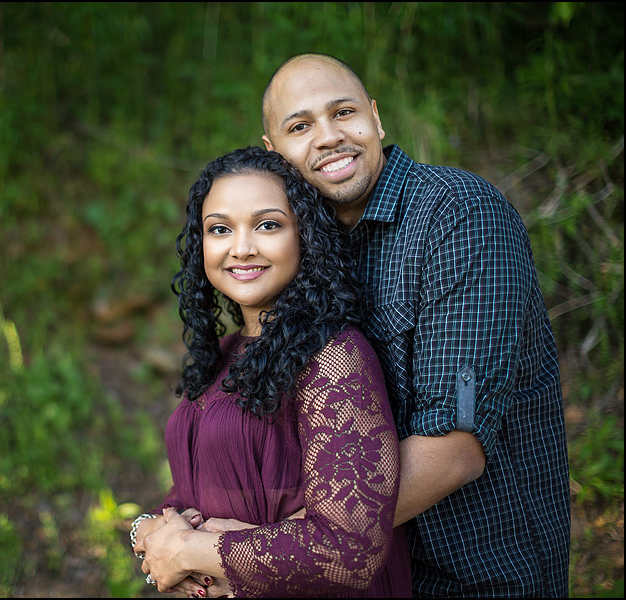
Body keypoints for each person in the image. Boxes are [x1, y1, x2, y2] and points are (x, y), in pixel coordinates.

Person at [255, 53, 570, 597]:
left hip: (477, 579)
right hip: (368, 581)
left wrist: (261, 548)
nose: (329, 136)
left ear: (376, 119)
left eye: (344, 113)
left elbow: (455, 447)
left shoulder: (458, 214)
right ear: (274, 154)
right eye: (300, 126)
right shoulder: (295, 252)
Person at [131, 145, 412, 598]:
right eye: (220, 229)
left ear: (304, 235)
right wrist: (153, 532)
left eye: (267, 225)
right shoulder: (221, 355)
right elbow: (194, 489)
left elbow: (349, 549)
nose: (241, 248)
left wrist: (198, 551)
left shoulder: (335, 357)